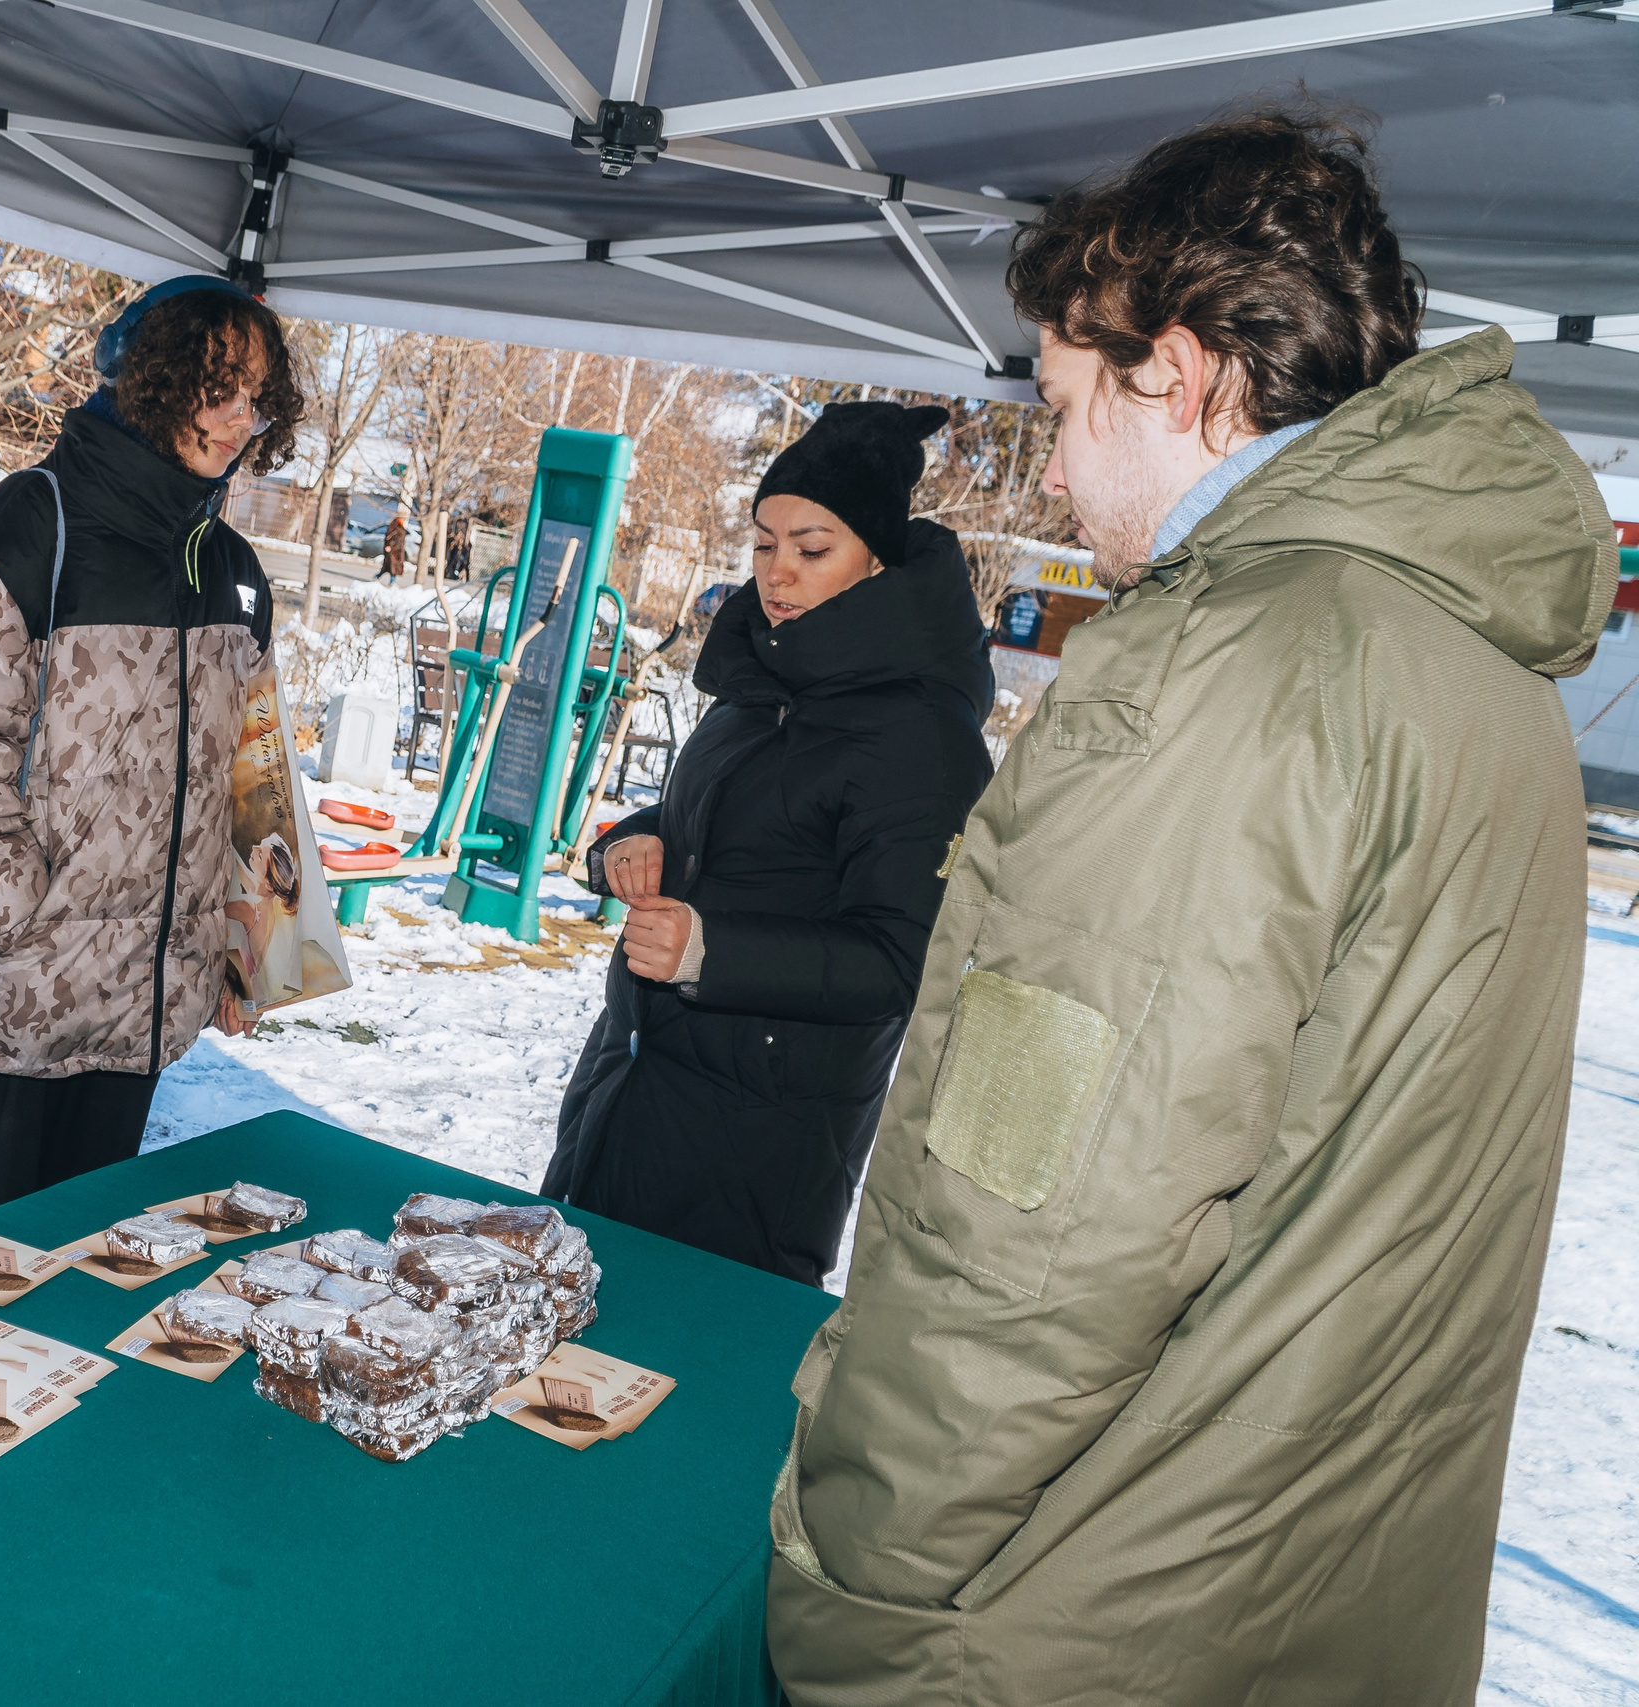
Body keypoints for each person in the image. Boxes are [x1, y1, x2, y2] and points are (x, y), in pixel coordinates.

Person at [766, 111, 1619, 1706]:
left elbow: (1033, 1227)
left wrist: (862, 1562)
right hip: (1333, 1585)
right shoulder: (1479, 665)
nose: (1061, 460)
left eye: (1067, 402)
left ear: (1181, 370)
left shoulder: (1221, 664)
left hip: (1096, 1609)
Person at [0, 275, 305, 1240]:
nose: (241, 414)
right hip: (6, 1017)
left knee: (73, 1304)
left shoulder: (234, 572)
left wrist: (247, 950)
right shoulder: (32, 523)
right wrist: (24, 921)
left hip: (138, 1024)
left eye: (257, 395)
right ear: (149, 376)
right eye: (217, 383)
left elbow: (249, 784)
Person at [545, 402, 993, 1285]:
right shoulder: (762, 672)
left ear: (876, 554)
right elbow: (711, 825)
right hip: (630, 1090)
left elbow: (905, 957)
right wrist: (634, 845)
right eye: (764, 543)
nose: (777, 572)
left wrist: (711, 950)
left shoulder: (923, 731)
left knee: (680, 1391)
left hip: (758, 1149)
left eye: (811, 547)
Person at [376, 509, 407, 583]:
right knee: (392, 564)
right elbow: (389, 536)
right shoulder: (394, 524)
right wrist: (388, 545)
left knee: (392, 565)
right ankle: (391, 580)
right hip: (393, 549)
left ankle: (380, 576)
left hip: (398, 549)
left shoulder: (401, 525)